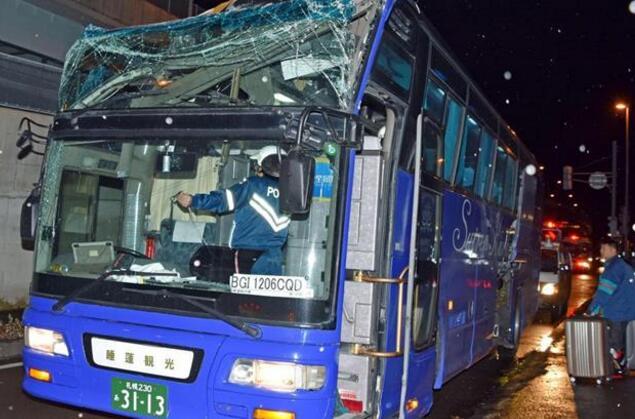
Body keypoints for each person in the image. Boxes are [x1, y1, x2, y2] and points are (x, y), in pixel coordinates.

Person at [176, 145, 289, 275]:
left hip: (248, 257)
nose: (255, 170)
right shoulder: (291, 193)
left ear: (262, 166)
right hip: (274, 258)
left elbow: (223, 200)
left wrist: (194, 200)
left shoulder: (253, 185)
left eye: (256, 166)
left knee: (242, 295)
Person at [587, 237, 635, 375]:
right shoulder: (624, 266)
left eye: (604, 248)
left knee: (615, 344)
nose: (601, 251)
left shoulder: (613, 269)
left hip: (616, 312)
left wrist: (591, 311)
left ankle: (617, 369)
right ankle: (621, 366)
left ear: (612, 250)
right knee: (624, 342)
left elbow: (604, 293)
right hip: (627, 311)